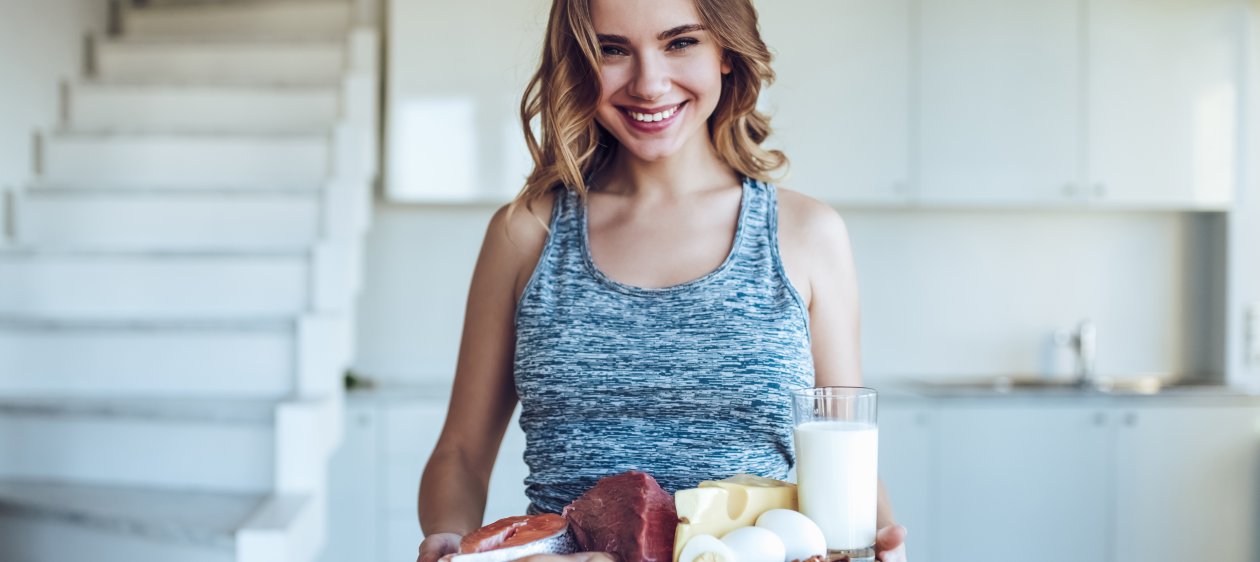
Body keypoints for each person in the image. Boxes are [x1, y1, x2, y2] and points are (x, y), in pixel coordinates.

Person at [416, 0, 909, 561]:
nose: (649, 83)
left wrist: (881, 541)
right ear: (578, 62)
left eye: (680, 43)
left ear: (726, 52)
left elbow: (846, 451)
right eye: (612, 49)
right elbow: (460, 452)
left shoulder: (806, 233)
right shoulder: (526, 232)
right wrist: (452, 540)